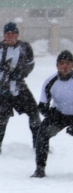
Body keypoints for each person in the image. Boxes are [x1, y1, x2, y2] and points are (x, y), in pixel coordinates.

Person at [0, 22, 41, 157]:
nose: (10, 36)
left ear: (17, 35)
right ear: (4, 35)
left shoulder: (25, 47)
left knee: (34, 113)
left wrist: (21, 74)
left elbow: (30, 65)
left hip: (19, 88)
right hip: (1, 91)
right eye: (8, 33)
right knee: (3, 118)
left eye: (13, 33)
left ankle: (38, 146)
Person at [31, 50, 73, 178]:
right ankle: (40, 169)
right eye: (61, 63)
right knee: (42, 134)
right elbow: (43, 106)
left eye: (67, 63)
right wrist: (51, 116)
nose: (64, 66)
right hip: (59, 114)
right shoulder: (50, 81)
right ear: (57, 66)